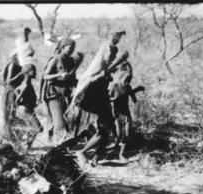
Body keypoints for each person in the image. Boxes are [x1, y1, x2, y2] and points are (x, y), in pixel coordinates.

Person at [64, 31, 128, 167]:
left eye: (114, 55)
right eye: (111, 54)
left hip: (100, 95)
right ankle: (82, 152)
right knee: (104, 127)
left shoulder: (105, 65)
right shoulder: (98, 66)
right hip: (92, 96)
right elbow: (91, 79)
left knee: (106, 127)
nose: (113, 56)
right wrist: (104, 74)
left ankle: (96, 156)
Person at [41, 37, 83, 144]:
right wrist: (59, 75)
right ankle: (57, 147)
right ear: (63, 47)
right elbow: (45, 76)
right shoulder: (55, 59)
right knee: (60, 124)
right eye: (70, 48)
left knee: (66, 122)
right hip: (54, 95)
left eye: (73, 48)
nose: (72, 50)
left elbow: (72, 79)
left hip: (66, 95)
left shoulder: (71, 61)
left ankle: (59, 144)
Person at [108, 60, 145, 161]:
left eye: (129, 79)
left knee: (127, 134)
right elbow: (107, 98)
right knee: (118, 134)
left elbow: (132, 97)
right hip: (116, 113)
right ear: (121, 77)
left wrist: (137, 91)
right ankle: (115, 150)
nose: (128, 81)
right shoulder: (114, 86)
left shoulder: (127, 86)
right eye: (126, 79)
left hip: (125, 113)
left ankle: (121, 154)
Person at [14, 64, 43, 149]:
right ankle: (24, 143)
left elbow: (16, 90)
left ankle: (25, 144)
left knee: (35, 128)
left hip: (26, 110)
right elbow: (17, 99)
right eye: (33, 71)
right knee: (38, 128)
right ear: (27, 72)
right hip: (25, 111)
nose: (35, 73)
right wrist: (21, 101)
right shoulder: (26, 84)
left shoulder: (26, 82)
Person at [2, 52, 23, 140]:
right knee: (9, 114)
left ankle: (11, 135)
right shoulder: (12, 65)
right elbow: (8, 81)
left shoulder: (19, 66)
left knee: (11, 114)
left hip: (14, 91)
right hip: (11, 91)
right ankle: (9, 135)